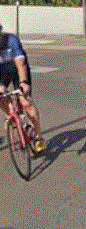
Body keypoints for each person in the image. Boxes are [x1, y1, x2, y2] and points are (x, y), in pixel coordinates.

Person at [0, 23, 46, 154]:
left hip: (18, 72)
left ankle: (38, 137)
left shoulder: (11, 40)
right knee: (1, 97)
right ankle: (12, 116)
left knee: (25, 101)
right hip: (2, 74)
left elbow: (21, 63)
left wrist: (24, 83)